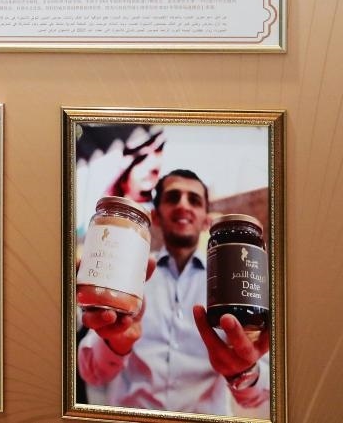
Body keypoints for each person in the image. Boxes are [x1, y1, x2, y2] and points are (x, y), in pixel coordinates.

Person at [78, 170, 270, 416]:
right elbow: (92, 374)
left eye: (194, 200)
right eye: (173, 197)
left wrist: (243, 372)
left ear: (206, 220)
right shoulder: (128, 275)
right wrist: (115, 344)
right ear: (156, 216)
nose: (183, 205)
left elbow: (259, 395)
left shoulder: (231, 288)